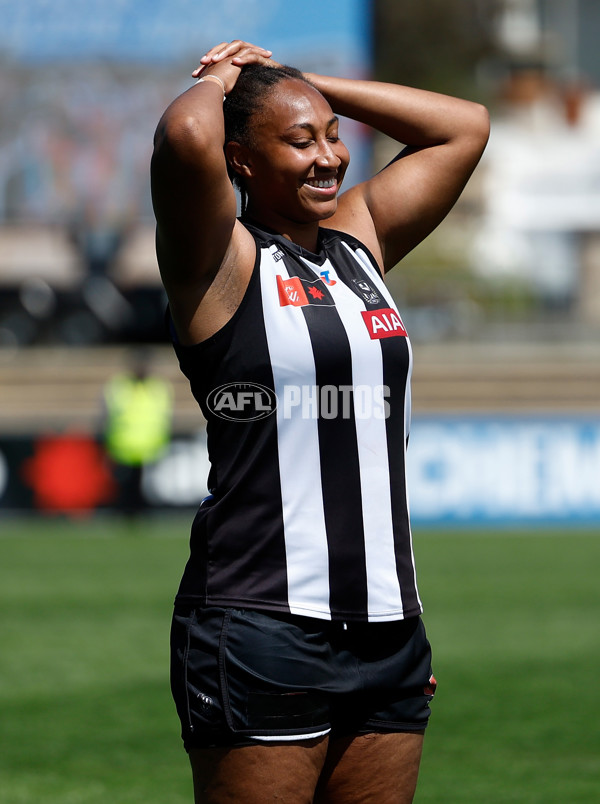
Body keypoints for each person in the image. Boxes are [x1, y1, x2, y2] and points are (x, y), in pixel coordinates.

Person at [151, 39, 489, 803]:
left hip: (390, 630)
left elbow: (464, 126)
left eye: (333, 135)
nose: (329, 157)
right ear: (242, 162)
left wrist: (297, 83)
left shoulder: (358, 240)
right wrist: (221, 80)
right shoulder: (221, 259)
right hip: (262, 625)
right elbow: (187, 136)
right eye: (300, 141)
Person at [102, 349, 173, 517]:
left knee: (143, 488)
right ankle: (127, 513)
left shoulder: (158, 387)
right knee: (125, 486)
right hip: (123, 446)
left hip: (148, 446)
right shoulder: (120, 386)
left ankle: (139, 513)